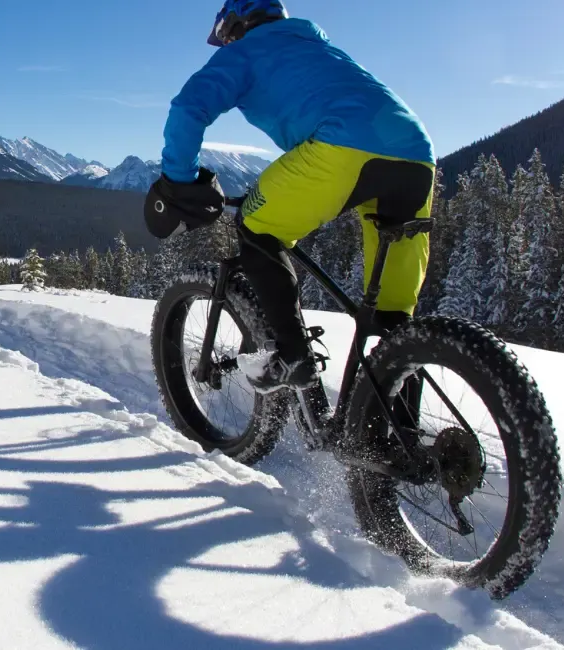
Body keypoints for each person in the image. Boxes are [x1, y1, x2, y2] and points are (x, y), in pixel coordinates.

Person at [144, 0, 436, 394]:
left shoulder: (246, 50)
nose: (226, 44)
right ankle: (398, 428)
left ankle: (293, 355)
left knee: (255, 225)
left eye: (226, 36)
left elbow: (189, 106)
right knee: (395, 323)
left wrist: (177, 181)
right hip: (417, 156)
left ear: (237, 25)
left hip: (342, 146)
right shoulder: (316, 45)